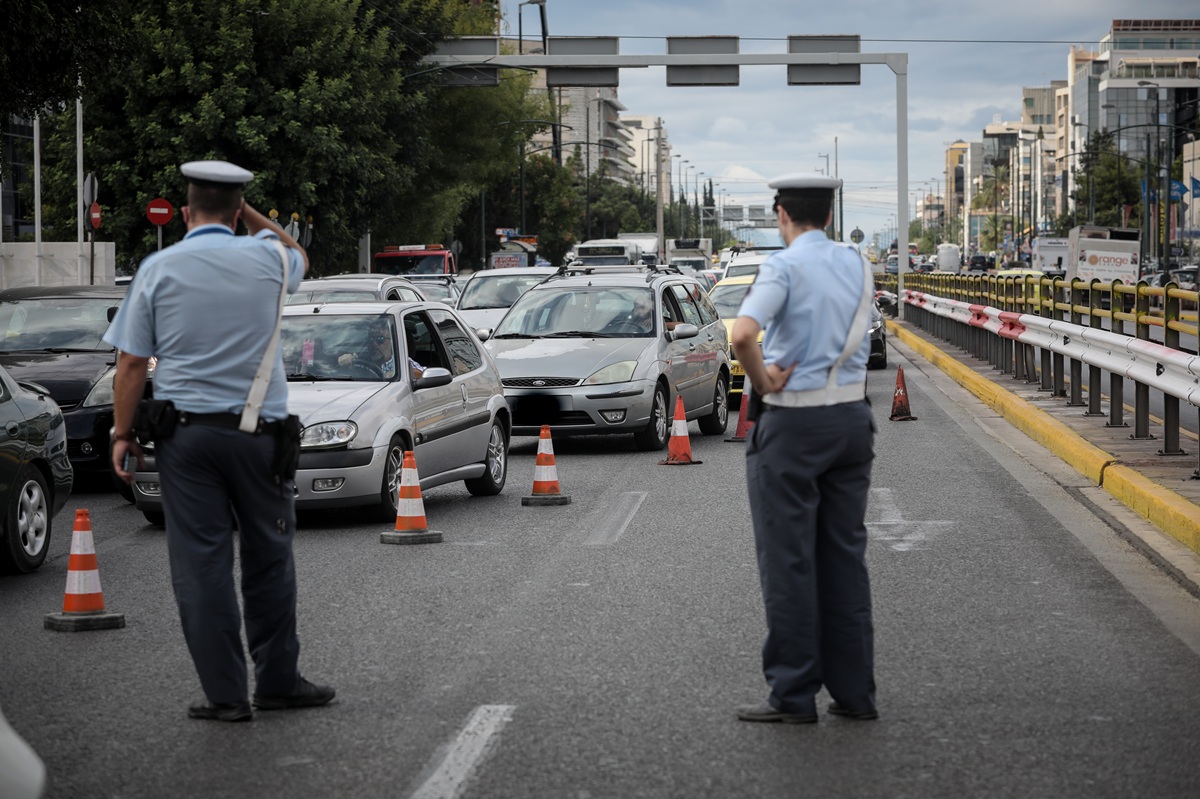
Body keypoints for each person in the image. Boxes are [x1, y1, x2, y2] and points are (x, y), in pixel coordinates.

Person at [105, 159, 334, 723]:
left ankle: (226, 696)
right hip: (261, 438)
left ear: (184, 213)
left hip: (187, 441)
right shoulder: (265, 257)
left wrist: (122, 432)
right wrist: (248, 212)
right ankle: (278, 683)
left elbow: (132, 362)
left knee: (201, 565)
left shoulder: (159, 268)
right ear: (237, 213)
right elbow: (299, 253)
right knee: (270, 559)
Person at [731, 174, 878, 725]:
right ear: (831, 217)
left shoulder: (784, 266)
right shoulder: (858, 264)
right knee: (844, 558)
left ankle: (793, 696)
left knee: (790, 561)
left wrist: (764, 382)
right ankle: (856, 694)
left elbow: (743, 334)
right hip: (851, 419)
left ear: (781, 215)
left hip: (794, 426)